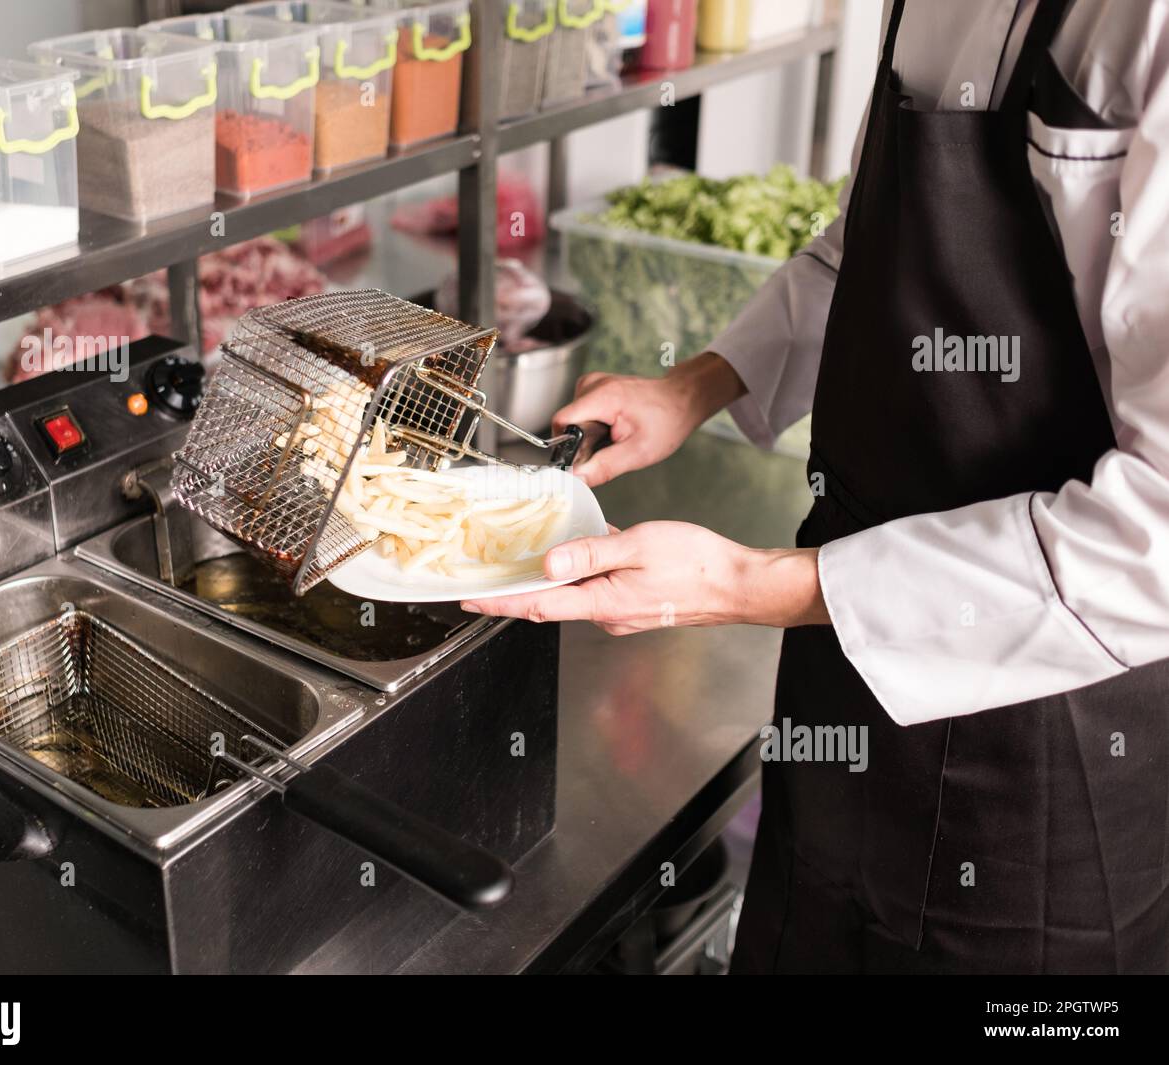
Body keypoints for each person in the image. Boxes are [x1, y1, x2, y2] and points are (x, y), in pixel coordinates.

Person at [461, 0, 1169, 973]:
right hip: (840, 667)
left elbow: (1155, 541)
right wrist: (693, 386)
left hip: (1045, 738)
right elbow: (867, 248)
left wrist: (742, 584)